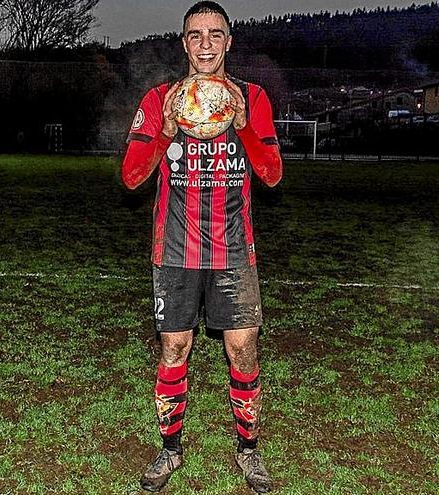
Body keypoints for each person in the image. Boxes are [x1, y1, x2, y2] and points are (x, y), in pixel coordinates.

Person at [121, 1, 282, 493]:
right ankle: (170, 450)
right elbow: (131, 177)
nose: (206, 43)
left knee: (243, 349)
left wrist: (242, 125)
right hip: (174, 249)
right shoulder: (160, 99)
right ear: (184, 42)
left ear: (229, 42)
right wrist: (166, 131)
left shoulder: (252, 98)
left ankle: (248, 451)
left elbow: (272, 175)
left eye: (216, 34)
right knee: (174, 347)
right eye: (196, 35)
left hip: (234, 249)